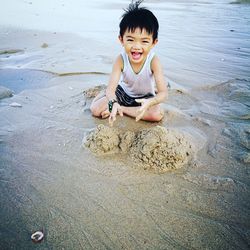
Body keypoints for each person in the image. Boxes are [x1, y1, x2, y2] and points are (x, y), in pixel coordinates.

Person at [90, 0, 167, 126]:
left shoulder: (154, 61)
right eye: (130, 40)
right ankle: (114, 104)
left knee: (156, 114)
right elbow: (111, 91)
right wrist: (113, 103)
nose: (137, 46)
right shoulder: (120, 60)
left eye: (144, 41)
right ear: (121, 39)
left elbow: (163, 93)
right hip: (123, 93)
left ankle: (123, 109)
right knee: (95, 109)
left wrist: (151, 102)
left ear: (154, 43)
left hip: (145, 97)